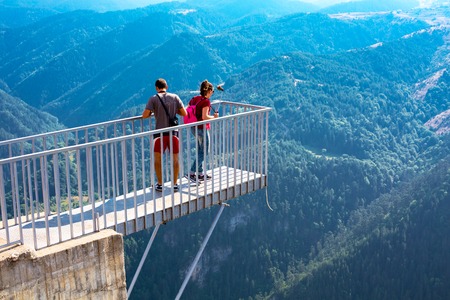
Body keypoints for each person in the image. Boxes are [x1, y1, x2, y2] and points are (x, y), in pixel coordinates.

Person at [142, 78, 187, 192]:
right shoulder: (175, 97)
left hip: (160, 133)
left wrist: (155, 111)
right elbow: (184, 113)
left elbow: (145, 115)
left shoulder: (153, 99)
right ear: (166, 87)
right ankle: (175, 184)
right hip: (174, 132)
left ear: (157, 88)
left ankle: (160, 184)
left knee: (158, 159)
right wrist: (173, 110)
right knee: (175, 159)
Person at [186, 80, 219, 182]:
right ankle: (191, 173)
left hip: (193, 127)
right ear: (208, 91)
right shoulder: (206, 101)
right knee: (205, 151)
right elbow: (204, 117)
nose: (212, 93)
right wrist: (214, 117)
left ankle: (200, 173)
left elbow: (188, 109)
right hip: (201, 128)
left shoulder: (195, 99)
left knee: (200, 150)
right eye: (212, 91)